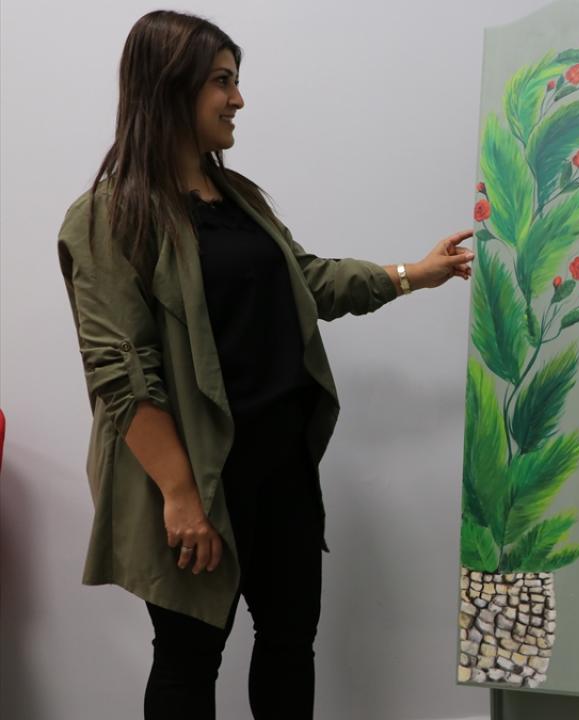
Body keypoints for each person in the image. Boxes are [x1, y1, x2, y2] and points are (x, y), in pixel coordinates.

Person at [56, 10, 474, 719]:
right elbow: (121, 373)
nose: (238, 99)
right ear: (171, 86)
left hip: (282, 469)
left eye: (235, 81)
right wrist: (181, 496)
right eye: (222, 82)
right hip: (199, 480)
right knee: (190, 660)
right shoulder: (108, 216)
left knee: (288, 642)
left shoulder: (239, 198)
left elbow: (306, 282)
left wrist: (412, 273)